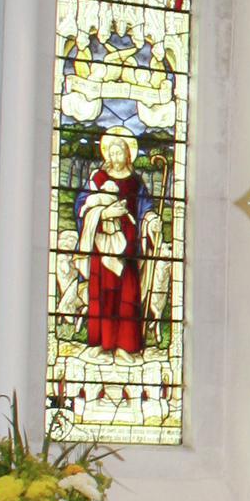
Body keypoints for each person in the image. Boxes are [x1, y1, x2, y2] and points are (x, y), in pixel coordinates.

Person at [74, 128, 163, 356]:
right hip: (101, 244)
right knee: (101, 294)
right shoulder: (98, 179)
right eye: (111, 153)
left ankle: (125, 346)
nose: (115, 157)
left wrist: (152, 220)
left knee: (127, 295)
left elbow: (145, 209)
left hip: (128, 248)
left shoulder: (135, 183)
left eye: (119, 152)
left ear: (128, 154)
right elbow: (82, 207)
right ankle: (100, 343)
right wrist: (102, 214)